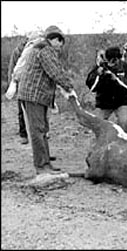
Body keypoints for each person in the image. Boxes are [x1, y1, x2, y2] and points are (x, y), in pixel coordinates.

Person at [17, 25, 74, 175]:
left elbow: (56, 70)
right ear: (54, 39)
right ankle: (41, 166)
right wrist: (68, 87)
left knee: (42, 130)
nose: (61, 46)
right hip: (33, 95)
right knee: (38, 131)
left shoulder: (42, 48)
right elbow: (54, 72)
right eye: (60, 41)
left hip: (37, 96)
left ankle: (46, 163)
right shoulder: (44, 50)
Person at [85, 46, 127, 133]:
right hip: (104, 102)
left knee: (124, 122)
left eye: (114, 60)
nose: (112, 63)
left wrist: (116, 79)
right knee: (98, 125)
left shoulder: (125, 67)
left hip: (121, 101)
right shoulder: (99, 68)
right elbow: (92, 87)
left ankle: (123, 143)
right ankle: (100, 142)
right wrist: (98, 74)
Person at [7, 36, 30, 144]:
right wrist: (12, 84)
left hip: (32, 83)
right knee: (21, 109)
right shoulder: (18, 51)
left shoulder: (35, 49)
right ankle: (23, 134)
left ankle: (36, 133)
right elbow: (12, 68)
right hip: (20, 83)